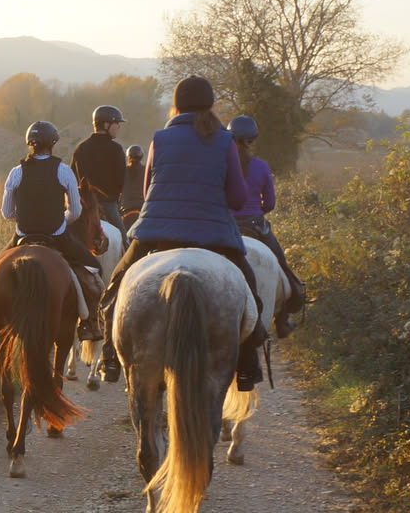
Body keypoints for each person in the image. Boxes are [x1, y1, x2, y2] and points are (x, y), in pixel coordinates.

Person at [97, 76, 267, 390]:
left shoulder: (159, 138)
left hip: (159, 230)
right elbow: (238, 198)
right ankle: (247, 365)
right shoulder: (225, 140)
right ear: (210, 105)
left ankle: (109, 353)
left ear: (177, 104)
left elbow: (148, 190)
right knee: (249, 290)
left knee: (116, 285)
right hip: (213, 233)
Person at [1, 120, 105, 339]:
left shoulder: (15, 173)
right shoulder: (64, 171)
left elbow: (6, 212)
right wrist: (61, 220)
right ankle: (89, 323)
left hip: (23, 236)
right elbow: (75, 211)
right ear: (53, 143)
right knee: (94, 267)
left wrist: (23, 220)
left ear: (29, 143)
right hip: (57, 237)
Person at [227, 114, 309, 326]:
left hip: (226, 226)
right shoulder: (262, 167)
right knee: (281, 265)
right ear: (252, 140)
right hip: (256, 226)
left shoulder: (222, 166)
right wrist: (256, 209)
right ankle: (283, 319)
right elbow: (270, 203)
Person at [70, 105, 127, 246]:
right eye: (117, 123)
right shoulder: (116, 149)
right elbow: (121, 181)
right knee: (125, 242)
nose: (119, 127)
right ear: (106, 125)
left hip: (83, 207)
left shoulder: (80, 148)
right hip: (108, 206)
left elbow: (73, 177)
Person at [121, 144, 146, 231]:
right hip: (144, 209)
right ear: (141, 157)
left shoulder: (122, 171)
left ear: (128, 156)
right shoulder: (146, 171)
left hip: (126, 209)